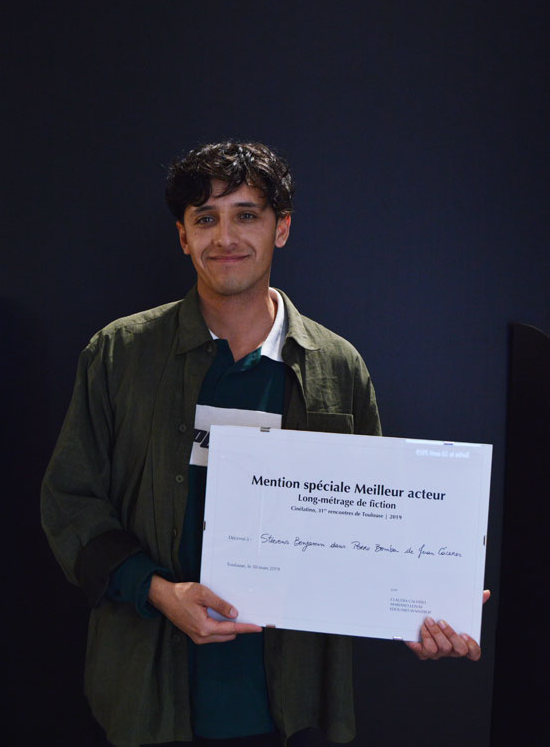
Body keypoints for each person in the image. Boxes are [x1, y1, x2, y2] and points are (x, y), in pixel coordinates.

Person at [41, 141, 487, 747]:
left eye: (246, 215)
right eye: (206, 218)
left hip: (284, 698)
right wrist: (157, 592)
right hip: (149, 689)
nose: (225, 237)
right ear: (183, 237)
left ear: (282, 228)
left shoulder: (337, 366)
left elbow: (375, 523)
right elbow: (69, 501)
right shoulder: (119, 355)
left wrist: (421, 606)